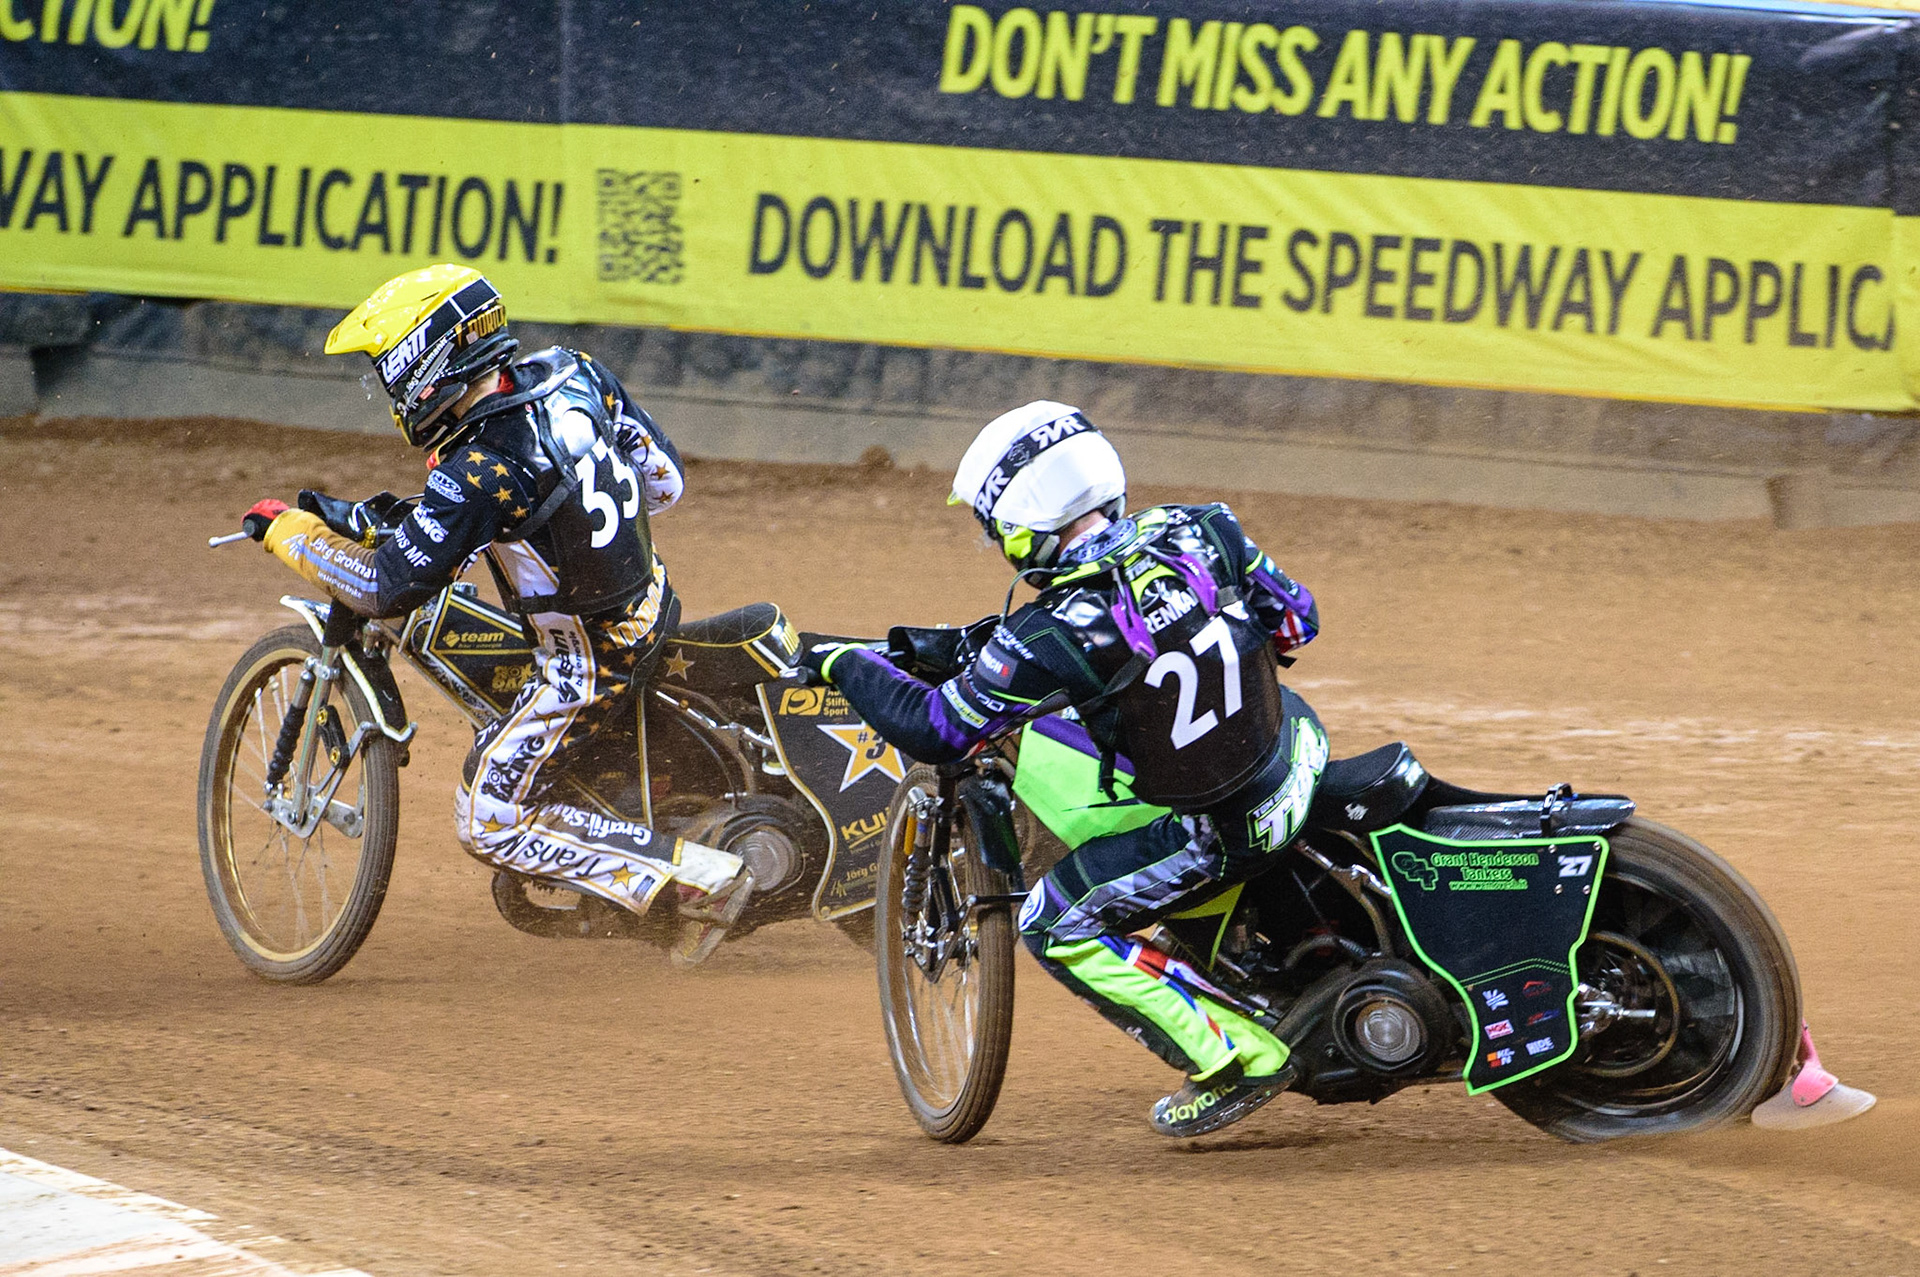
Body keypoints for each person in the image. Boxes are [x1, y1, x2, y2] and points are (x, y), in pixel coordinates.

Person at [801, 401, 1326, 1137]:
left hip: (1226, 826)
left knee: (1055, 917)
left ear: (1024, 526)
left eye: (998, 529)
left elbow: (939, 728)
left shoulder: (1051, 632)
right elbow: (1296, 621)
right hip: (1298, 751)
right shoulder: (1204, 526)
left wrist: (846, 663)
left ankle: (1236, 1057)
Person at [241, 264, 752, 965]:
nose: (389, 395)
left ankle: (694, 877)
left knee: (486, 817)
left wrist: (294, 535)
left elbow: (388, 588)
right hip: (653, 600)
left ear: (428, 364)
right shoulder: (575, 371)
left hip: (587, 661)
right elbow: (663, 481)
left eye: (389, 374)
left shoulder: (477, 468)